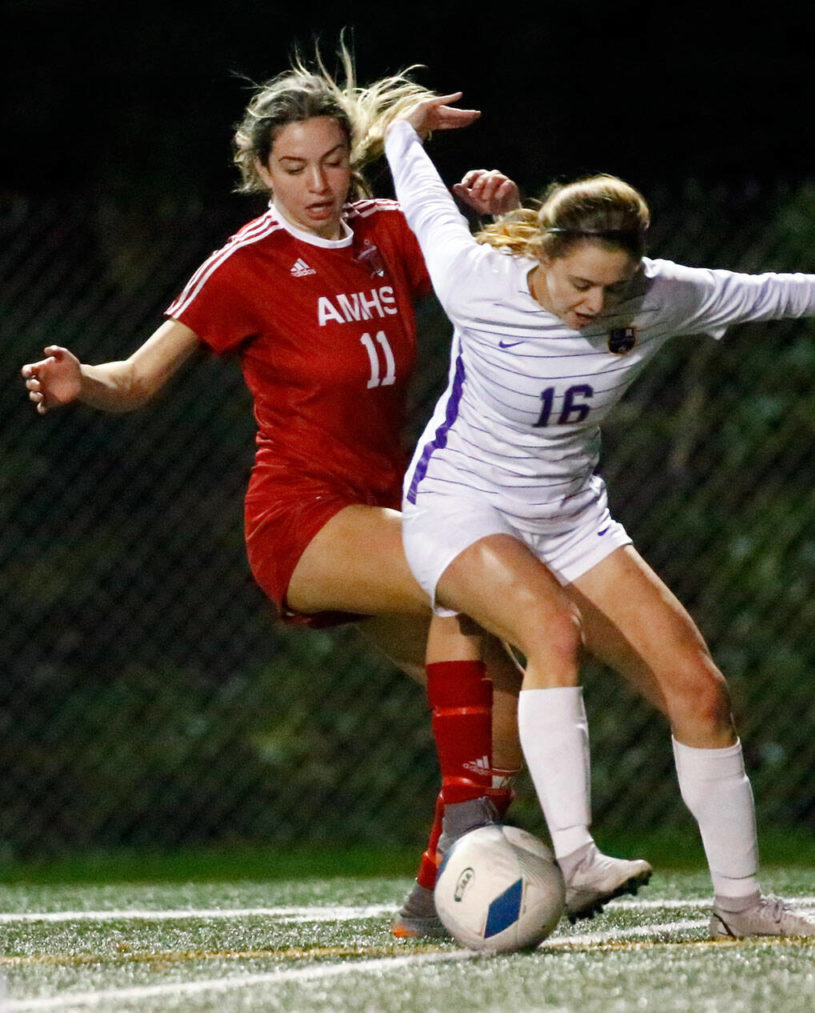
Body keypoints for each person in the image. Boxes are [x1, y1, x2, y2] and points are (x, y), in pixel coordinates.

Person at [383, 95, 815, 936]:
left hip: (572, 514)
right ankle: (578, 857)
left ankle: (741, 903)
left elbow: (774, 292)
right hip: (459, 501)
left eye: (612, 285)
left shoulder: (658, 298)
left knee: (701, 693)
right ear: (544, 255)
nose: (595, 303)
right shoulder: (474, 281)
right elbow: (420, 196)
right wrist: (407, 129)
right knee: (552, 632)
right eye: (579, 282)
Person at [20, 50, 526, 941]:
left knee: (510, 689)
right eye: (293, 167)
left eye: (332, 160)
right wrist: (82, 382)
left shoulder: (390, 231)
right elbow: (137, 379)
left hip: (384, 507)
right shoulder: (246, 263)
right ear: (260, 171)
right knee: (468, 583)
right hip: (302, 520)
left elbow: (524, 289)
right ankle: (483, 835)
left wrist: (508, 215)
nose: (318, 183)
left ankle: (440, 891)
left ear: (353, 157)